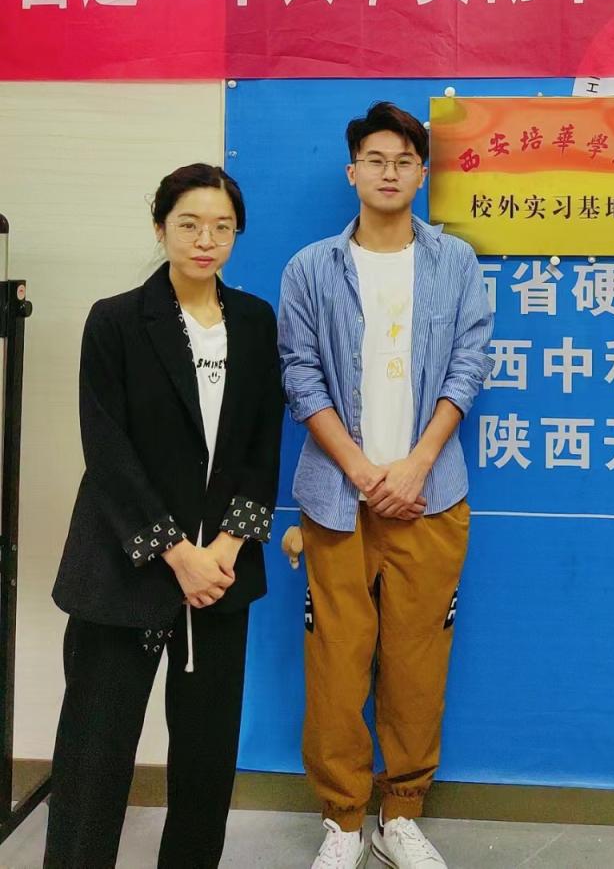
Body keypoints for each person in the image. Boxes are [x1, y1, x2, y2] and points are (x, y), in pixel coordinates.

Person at [45, 164, 284, 869]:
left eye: (222, 227)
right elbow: (107, 451)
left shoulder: (254, 321)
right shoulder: (116, 321)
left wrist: (226, 549)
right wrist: (179, 554)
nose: (206, 240)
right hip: (125, 570)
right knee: (95, 755)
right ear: (161, 228)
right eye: (189, 224)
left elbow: (261, 444)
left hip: (221, 578)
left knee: (207, 759)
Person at [278, 102, 493, 869]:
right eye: (375, 159)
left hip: (430, 495)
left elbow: (470, 364)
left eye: (404, 160)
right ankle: (342, 821)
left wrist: (416, 464)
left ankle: (400, 814)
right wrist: (363, 470)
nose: (389, 172)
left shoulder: (455, 262)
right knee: (336, 666)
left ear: (422, 173)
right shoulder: (311, 268)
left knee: (416, 665)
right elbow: (299, 374)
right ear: (352, 172)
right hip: (338, 499)